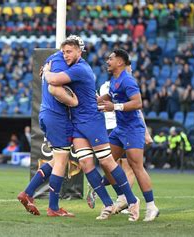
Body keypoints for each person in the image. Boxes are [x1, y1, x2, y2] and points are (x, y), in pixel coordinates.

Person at [44, 39, 139, 221]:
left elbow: (54, 80)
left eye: (69, 51)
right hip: (78, 123)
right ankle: (108, 204)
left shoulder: (81, 68)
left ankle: (132, 201)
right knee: (87, 164)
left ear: (79, 52)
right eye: (64, 52)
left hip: (92, 121)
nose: (66, 55)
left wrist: (47, 71)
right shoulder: (75, 68)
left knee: (107, 162)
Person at [17, 40, 78, 218]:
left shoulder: (52, 60)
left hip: (47, 114)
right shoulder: (59, 62)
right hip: (56, 116)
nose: (67, 55)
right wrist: (74, 101)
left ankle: (27, 193)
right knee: (61, 162)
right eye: (66, 51)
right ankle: (53, 207)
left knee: (56, 159)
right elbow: (54, 86)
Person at [98, 48, 159, 221]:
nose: (107, 61)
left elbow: (138, 103)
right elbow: (110, 96)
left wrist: (115, 107)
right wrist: (94, 101)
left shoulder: (128, 80)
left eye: (110, 58)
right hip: (120, 128)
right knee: (105, 161)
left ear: (120, 62)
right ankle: (124, 196)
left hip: (133, 129)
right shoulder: (114, 79)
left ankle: (151, 206)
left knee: (136, 166)